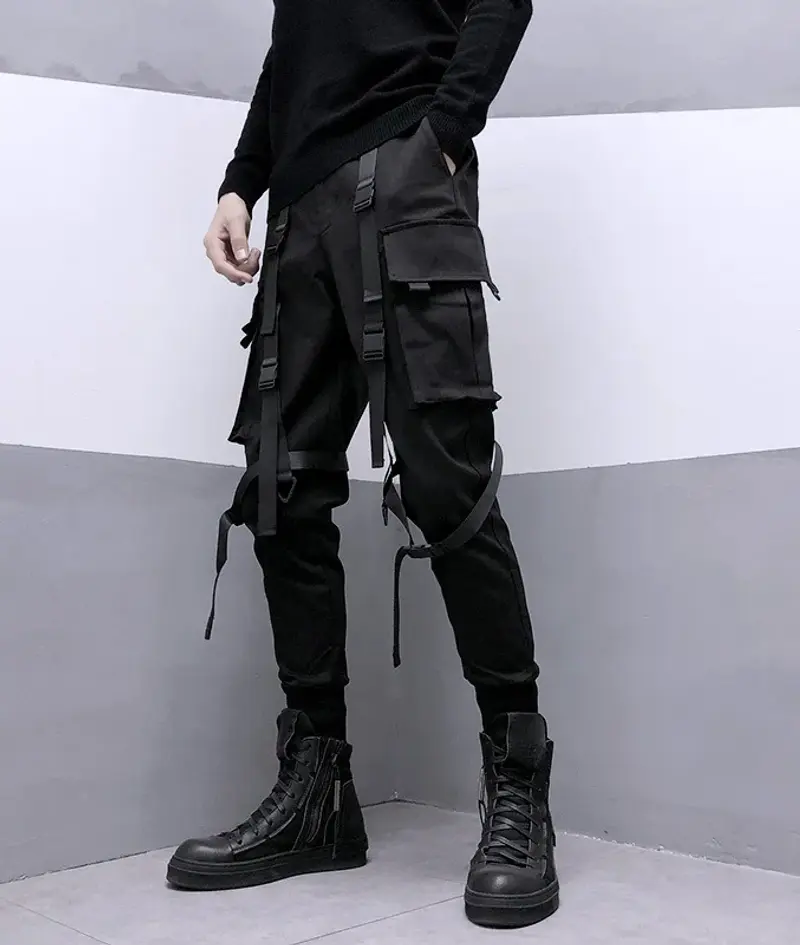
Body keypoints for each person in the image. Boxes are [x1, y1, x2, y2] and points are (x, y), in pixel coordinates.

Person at [166, 0, 558, 929]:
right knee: (280, 486)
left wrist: (444, 133)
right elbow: (293, 47)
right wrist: (241, 182)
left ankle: (518, 783)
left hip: (405, 174)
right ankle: (318, 795)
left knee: (448, 486)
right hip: (299, 208)